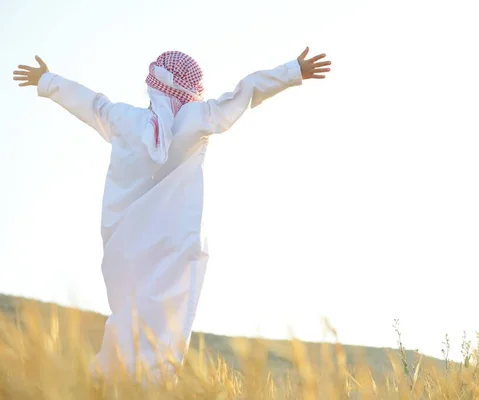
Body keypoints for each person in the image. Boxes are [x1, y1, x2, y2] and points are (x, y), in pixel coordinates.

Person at [13, 48, 331, 382]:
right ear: (191, 91)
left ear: (151, 85)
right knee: (169, 320)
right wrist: (293, 71)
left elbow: (90, 103)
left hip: (126, 244)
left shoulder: (123, 119)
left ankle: (107, 379)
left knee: (127, 314)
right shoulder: (198, 119)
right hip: (177, 246)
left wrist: (47, 80)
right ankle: (154, 383)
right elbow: (247, 90)